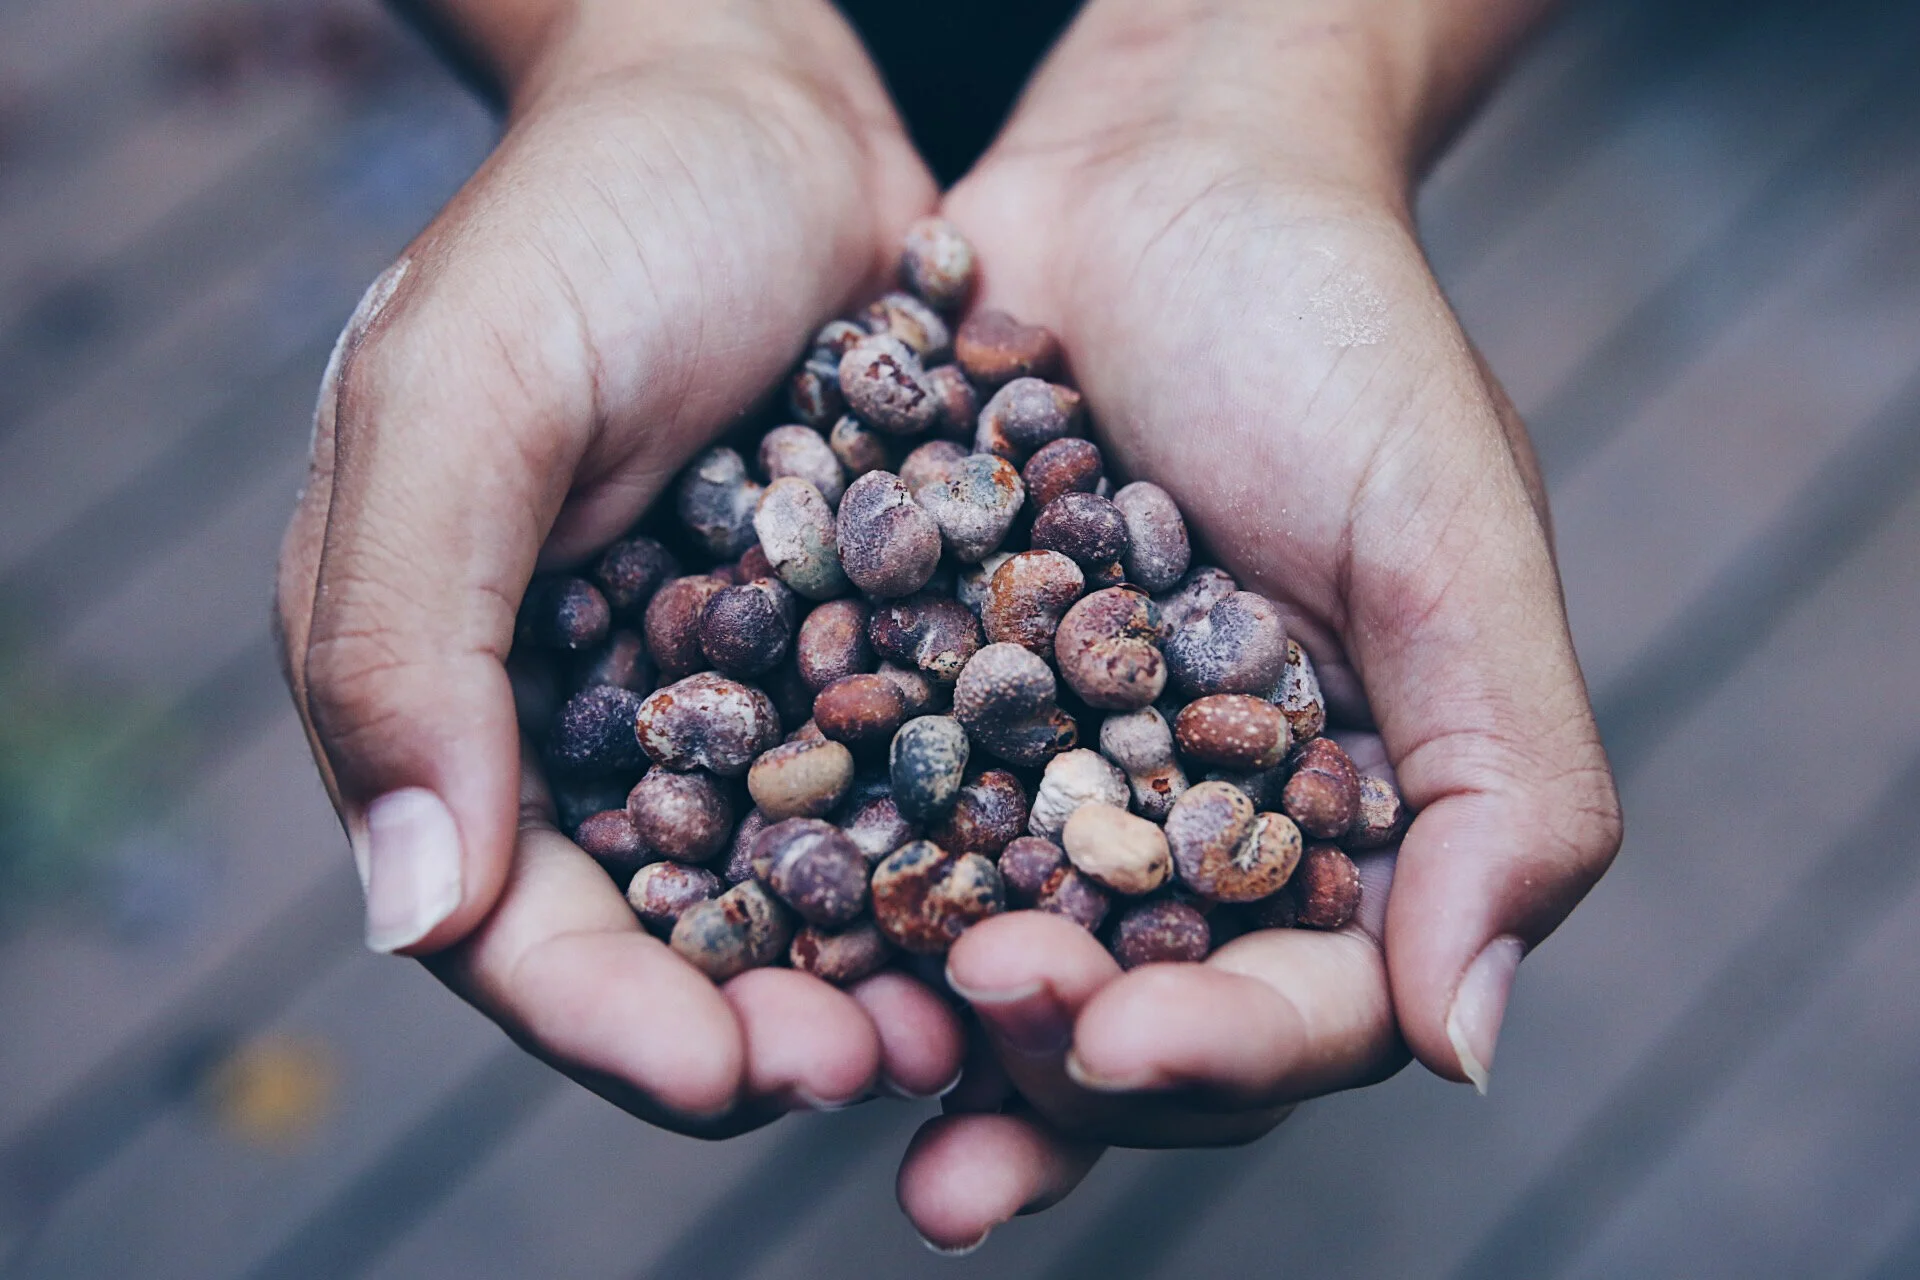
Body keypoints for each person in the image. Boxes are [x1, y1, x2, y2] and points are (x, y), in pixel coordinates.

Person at [275, 0, 1622, 1253]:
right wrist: (640, 44)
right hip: (748, 144)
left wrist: (1269, 93)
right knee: (946, 1005)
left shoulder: (1069, 637)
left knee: (1007, 1008)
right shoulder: (841, 594)